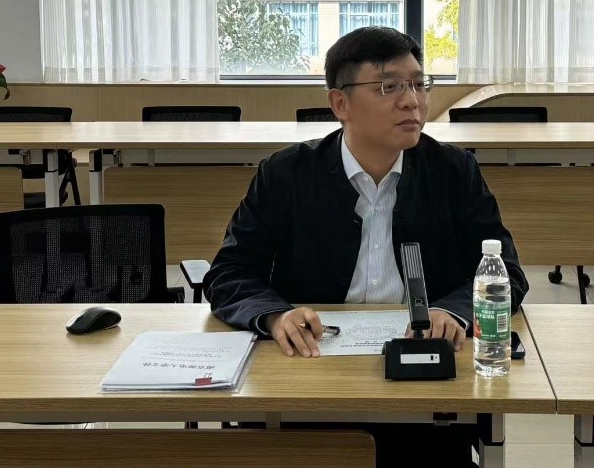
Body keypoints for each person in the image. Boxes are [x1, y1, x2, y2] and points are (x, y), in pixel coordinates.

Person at [204, 26, 529, 466]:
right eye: (389, 87)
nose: (412, 101)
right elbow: (229, 273)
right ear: (340, 103)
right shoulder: (286, 174)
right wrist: (276, 315)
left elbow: (505, 271)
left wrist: (451, 312)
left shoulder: (454, 171)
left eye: (419, 84)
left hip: (423, 389)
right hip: (309, 377)